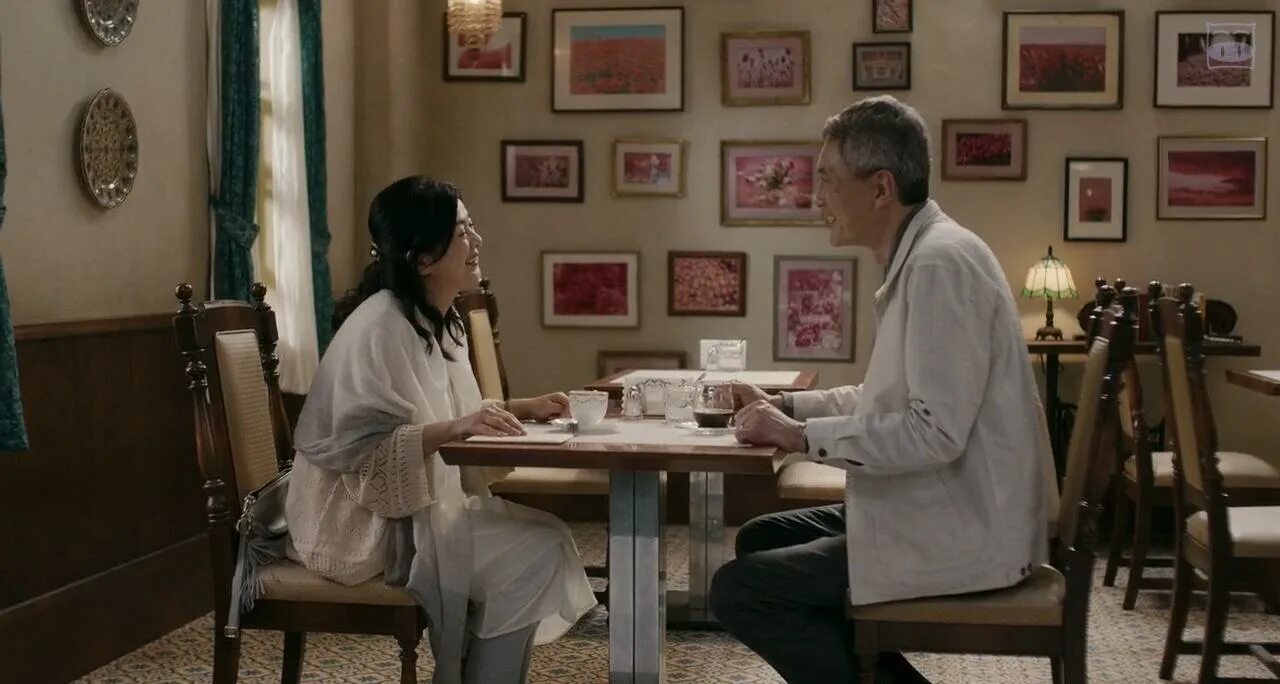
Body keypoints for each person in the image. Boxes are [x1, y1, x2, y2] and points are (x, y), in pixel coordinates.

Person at [709, 95, 1058, 683]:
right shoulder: (927, 253)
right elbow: (888, 396)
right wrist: (786, 406)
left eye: (827, 180)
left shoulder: (938, 266)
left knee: (741, 591)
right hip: (953, 506)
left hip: (967, 530)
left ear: (880, 188)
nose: (816, 198)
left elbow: (933, 432)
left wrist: (799, 436)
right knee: (760, 538)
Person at [286, 176, 597, 684]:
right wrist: (461, 423)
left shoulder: (436, 318)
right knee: (536, 553)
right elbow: (365, 454)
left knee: (548, 540)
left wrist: (519, 408)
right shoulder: (379, 326)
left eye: (471, 228)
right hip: (359, 522)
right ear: (423, 259)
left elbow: (446, 413)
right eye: (462, 232)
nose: (477, 241)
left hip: (414, 507)